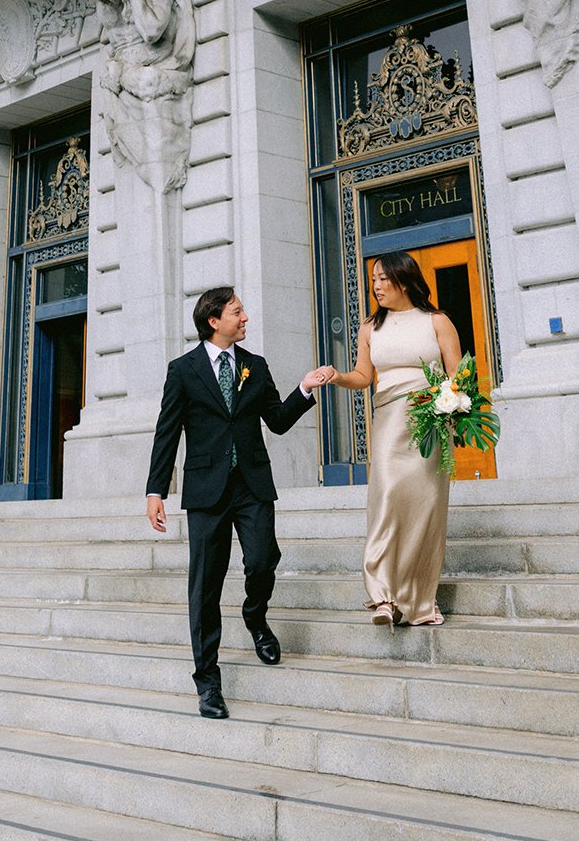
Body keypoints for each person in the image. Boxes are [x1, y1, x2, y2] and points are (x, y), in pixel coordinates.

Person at [146, 287, 334, 719]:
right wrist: (156, 490)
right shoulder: (183, 370)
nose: (245, 317)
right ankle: (208, 682)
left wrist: (304, 389)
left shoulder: (256, 366)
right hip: (206, 490)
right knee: (205, 586)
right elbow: (167, 432)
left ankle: (255, 616)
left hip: (251, 483)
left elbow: (278, 422)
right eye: (237, 311)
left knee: (264, 558)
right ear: (214, 320)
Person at [324, 251, 462, 627]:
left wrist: (452, 406)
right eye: (373, 279)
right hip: (388, 420)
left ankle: (420, 602)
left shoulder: (437, 322)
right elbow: (363, 376)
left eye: (384, 278)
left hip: (429, 423)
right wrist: (337, 376)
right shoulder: (370, 328)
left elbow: (458, 374)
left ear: (405, 279)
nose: (377, 286)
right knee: (386, 499)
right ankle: (383, 596)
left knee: (424, 508)